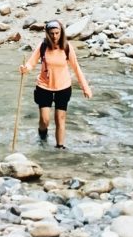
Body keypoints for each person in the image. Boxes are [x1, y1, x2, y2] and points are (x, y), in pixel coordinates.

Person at [20, 19, 91, 149]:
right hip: (44, 87)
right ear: (47, 33)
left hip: (63, 87)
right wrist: (26, 68)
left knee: (60, 119)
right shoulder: (43, 46)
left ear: (61, 32)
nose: (55, 36)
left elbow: (76, 68)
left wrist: (85, 87)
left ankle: (60, 147)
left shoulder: (67, 47)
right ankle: (42, 137)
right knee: (45, 120)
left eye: (57, 33)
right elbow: (31, 63)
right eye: (52, 33)